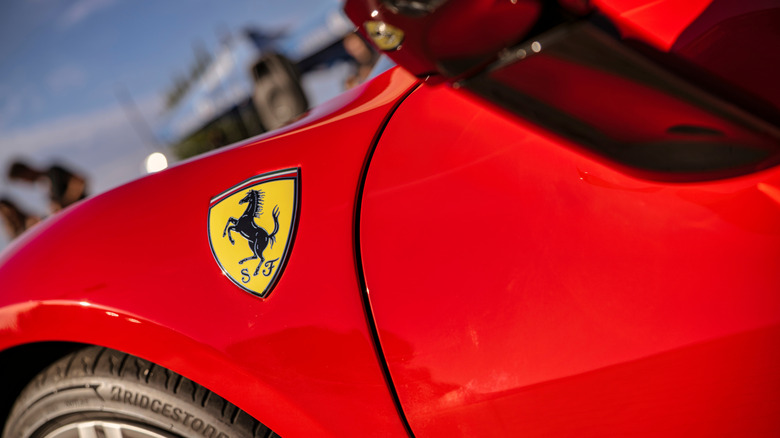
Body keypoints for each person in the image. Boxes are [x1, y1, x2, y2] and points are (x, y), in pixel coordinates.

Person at [8, 161, 88, 213]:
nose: (25, 182)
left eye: (23, 179)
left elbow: (79, 182)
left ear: (25, 171)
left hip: (85, 210)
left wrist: (65, 203)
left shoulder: (54, 171)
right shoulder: (42, 187)